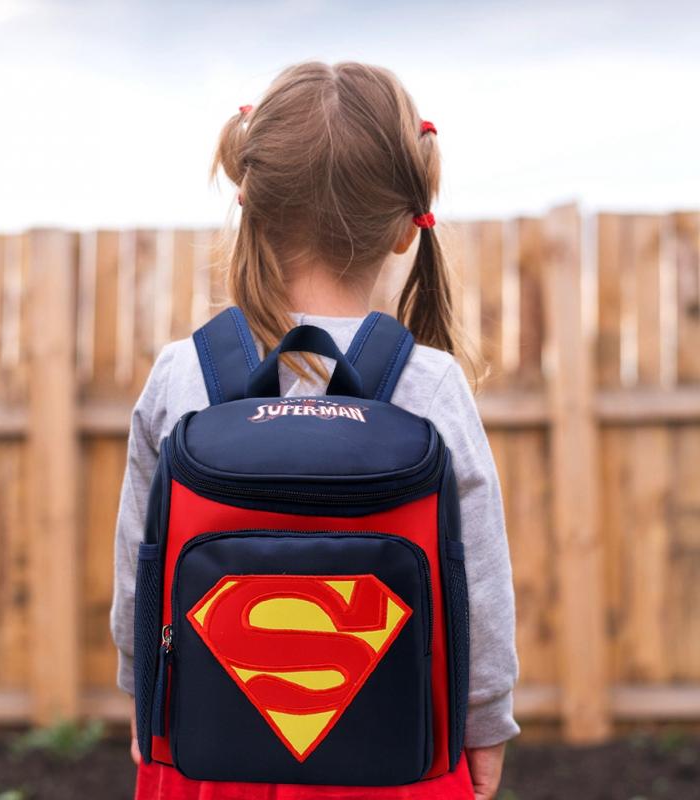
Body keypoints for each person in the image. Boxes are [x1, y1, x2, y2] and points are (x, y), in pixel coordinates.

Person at [111, 60, 520, 800]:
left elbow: (140, 570)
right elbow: (479, 581)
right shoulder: (427, 385)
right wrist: (484, 722)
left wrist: (145, 694)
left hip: (206, 746)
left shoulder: (184, 375)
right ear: (405, 228)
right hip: (397, 751)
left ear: (250, 203)